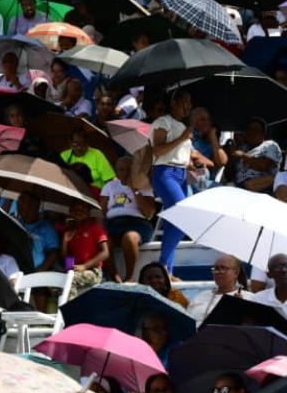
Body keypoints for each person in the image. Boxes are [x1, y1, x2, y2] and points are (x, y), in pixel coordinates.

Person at [149, 87, 192, 273]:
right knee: (183, 216)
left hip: (181, 174)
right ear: (174, 103)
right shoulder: (162, 122)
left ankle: (168, 272)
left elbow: (179, 154)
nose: (188, 106)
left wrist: (193, 164)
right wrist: (182, 138)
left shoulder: (182, 126)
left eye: (190, 103)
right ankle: (163, 264)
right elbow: (158, 150)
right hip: (164, 172)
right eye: (185, 101)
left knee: (174, 222)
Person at [101, 154, 152, 283]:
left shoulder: (143, 185)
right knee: (103, 240)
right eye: (121, 169)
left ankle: (129, 277)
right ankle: (114, 277)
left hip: (137, 224)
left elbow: (149, 213)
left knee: (129, 237)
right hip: (114, 224)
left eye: (129, 169)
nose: (125, 173)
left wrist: (134, 189)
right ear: (116, 171)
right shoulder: (109, 186)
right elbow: (102, 210)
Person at [61, 199, 109, 298]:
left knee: (69, 280)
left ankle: (70, 308)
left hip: (93, 271)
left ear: (88, 213)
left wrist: (84, 266)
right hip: (74, 270)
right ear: (70, 212)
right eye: (75, 209)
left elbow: (105, 252)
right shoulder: (70, 231)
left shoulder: (95, 228)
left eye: (82, 209)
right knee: (54, 282)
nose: (79, 212)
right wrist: (65, 242)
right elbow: (66, 259)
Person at [184, 253, 247, 321]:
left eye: (223, 268)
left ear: (236, 273)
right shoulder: (200, 296)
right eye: (216, 268)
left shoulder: (247, 298)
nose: (218, 272)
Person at [231, 116, 281, 193]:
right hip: (239, 186)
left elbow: (264, 166)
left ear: (263, 133)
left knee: (249, 184)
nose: (252, 132)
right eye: (249, 129)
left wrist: (243, 155)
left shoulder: (270, 145)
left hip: (260, 186)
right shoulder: (242, 148)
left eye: (256, 129)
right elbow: (231, 173)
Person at [16, 190, 61, 273]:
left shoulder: (47, 228)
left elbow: (54, 251)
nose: (19, 204)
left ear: (34, 206)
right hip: (16, 269)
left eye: (23, 201)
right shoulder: (17, 223)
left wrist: (42, 268)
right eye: (19, 200)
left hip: (36, 271)